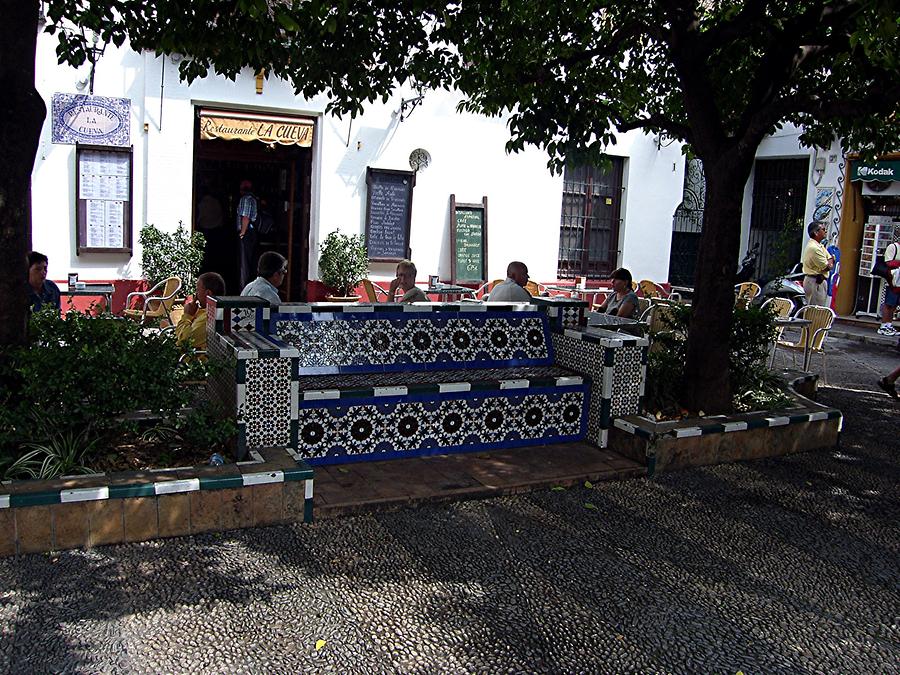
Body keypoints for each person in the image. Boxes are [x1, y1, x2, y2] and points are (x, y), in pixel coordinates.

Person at [175, 272, 225, 355]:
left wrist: (187, 315)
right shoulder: (202, 311)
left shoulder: (209, 316)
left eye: (197, 290)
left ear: (208, 293)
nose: (196, 294)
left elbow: (184, 341)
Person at [801, 221, 834, 308]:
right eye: (823, 229)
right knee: (815, 310)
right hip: (814, 281)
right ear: (816, 232)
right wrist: (830, 263)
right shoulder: (814, 248)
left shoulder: (819, 246)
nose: (825, 231)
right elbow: (827, 266)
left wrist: (830, 262)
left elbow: (830, 258)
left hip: (820, 280)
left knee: (820, 308)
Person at [236, 179, 258, 289]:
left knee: (244, 262)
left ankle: (244, 288)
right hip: (251, 233)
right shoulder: (253, 199)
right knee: (249, 260)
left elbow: (245, 217)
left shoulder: (246, 199)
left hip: (247, 233)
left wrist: (242, 233)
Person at [877, 240, 900, 337]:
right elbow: (888, 262)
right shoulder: (893, 247)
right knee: (889, 303)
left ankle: (889, 324)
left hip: (899, 280)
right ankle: (883, 326)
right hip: (892, 279)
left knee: (894, 304)